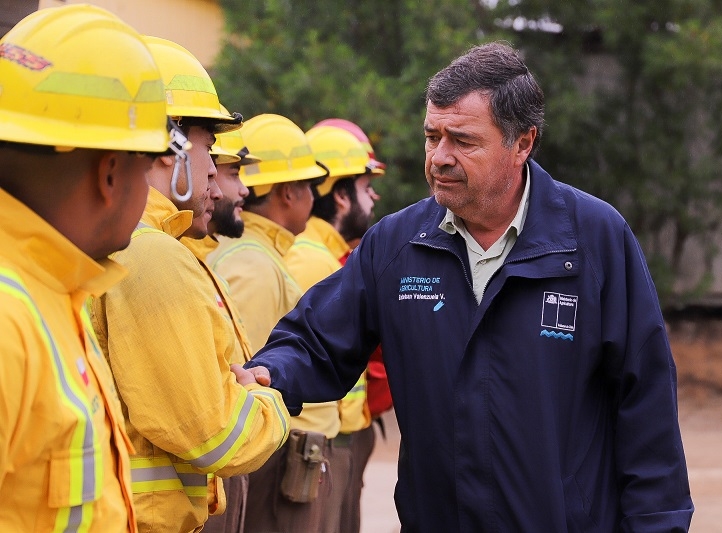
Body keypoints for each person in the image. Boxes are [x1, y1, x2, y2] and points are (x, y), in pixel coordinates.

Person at [246, 42, 694, 532]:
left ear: (522, 143)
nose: (440, 157)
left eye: (463, 140)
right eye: (432, 136)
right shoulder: (396, 246)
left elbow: (645, 400)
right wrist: (273, 371)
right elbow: (316, 341)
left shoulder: (594, 241)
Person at [89, 37, 289, 533]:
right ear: (171, 147)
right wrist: (271, 407)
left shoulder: (123, 243)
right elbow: (211, 432)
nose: (218, 181)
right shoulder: (153, 255)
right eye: (209, 150)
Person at [0, 5, 179, 531]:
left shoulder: (54, 296)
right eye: (148, 167)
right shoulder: (11, 317)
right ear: (109, 173)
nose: (148, 190)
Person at [206, 114, 343, 533]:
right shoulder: (255, 264)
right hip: (275, 454)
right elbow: (251, 377)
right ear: (288, 191)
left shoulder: (260, 255)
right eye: (308, 187)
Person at [285, 121, 385, 533]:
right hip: (319, 438)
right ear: (341, 197)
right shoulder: (314, 261)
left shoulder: (329, 256)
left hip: (335, 434)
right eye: (365, 186)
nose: (375, 195)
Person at [183, 120, 261, 533]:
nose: (233, 189)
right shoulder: (165, 260)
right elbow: (206, 423)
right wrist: (272, 405)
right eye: (223, 171)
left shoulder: (193, 258)